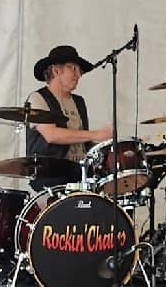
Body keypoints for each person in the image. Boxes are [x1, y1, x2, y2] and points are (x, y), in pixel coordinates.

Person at [24, 44, 113, 192]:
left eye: (80, 70)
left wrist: (104, 146)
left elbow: (81, 142)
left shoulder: (79, 102)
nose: (79, 74)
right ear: (56, 70)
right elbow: (51, 135)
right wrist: (96, 134)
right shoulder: (38, 99)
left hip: (79, 172)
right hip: (51, 174)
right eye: (73, 68)